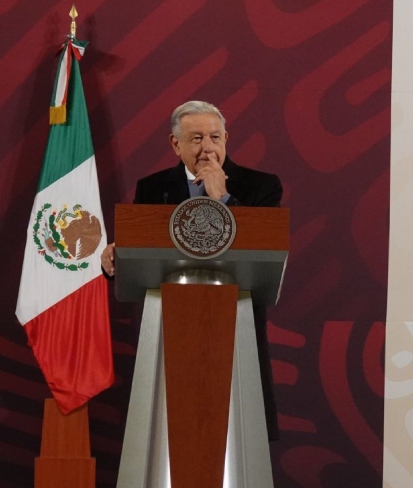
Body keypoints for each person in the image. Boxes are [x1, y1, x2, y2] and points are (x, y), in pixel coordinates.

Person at [102, 100, 283, 440]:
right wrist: (118, 255)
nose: (207, 148)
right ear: (176, 144)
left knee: (238, 430)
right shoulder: (153, 188)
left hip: (235, 318)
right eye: (196, 138)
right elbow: (142, 247)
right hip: (170, 323)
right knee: (170, 430)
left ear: (226, 138)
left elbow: (263, 245)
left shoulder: (261, 185)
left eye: (215, 137)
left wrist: (222, 196)